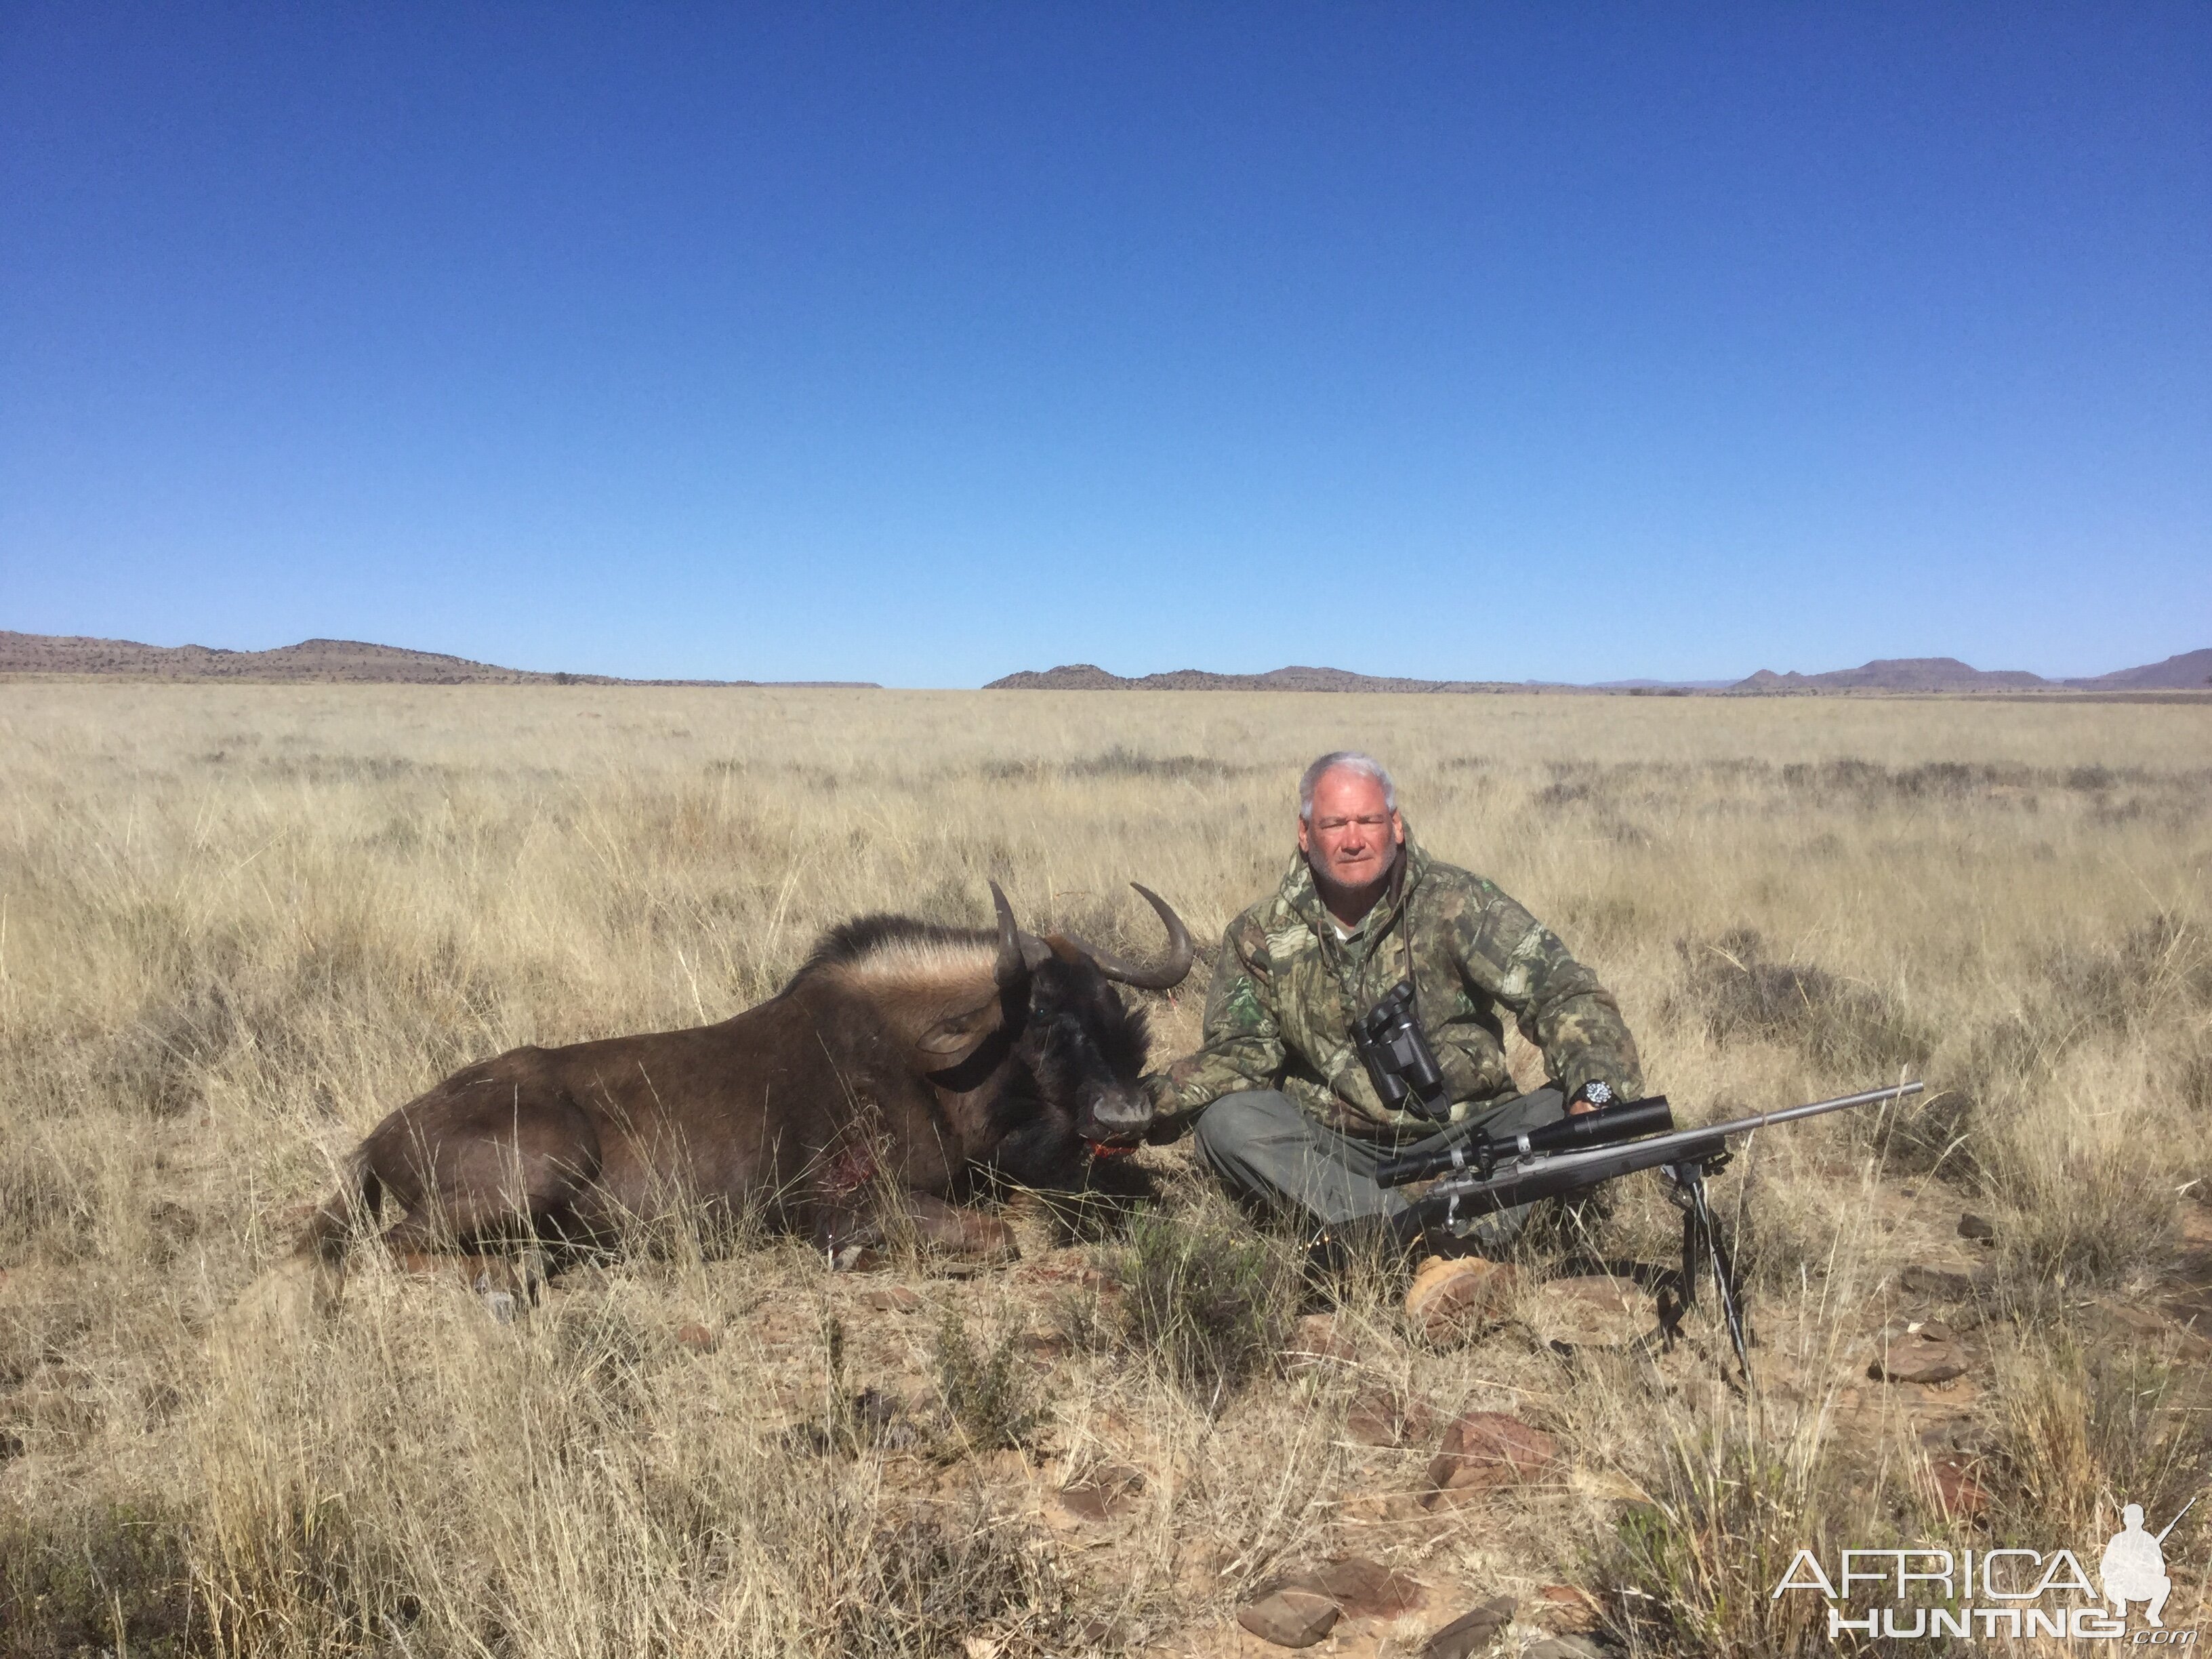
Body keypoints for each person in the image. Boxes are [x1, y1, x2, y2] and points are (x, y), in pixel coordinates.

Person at [1142, 750, 1645, 1337]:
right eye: (1335, 825)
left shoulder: (1460, 902)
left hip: (1473, 1131)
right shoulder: (1260, 932)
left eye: (1369, 822)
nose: (1354, 840)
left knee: (1567, 1110)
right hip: (1337, 1147)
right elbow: (1240, 1056)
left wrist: (1597, 1090)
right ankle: (1438, 1242)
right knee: (1227, 1124)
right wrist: (1146, 1104)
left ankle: (1393, 1248)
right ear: (1306, 835)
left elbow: (1563, 992)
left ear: (1396, 825)